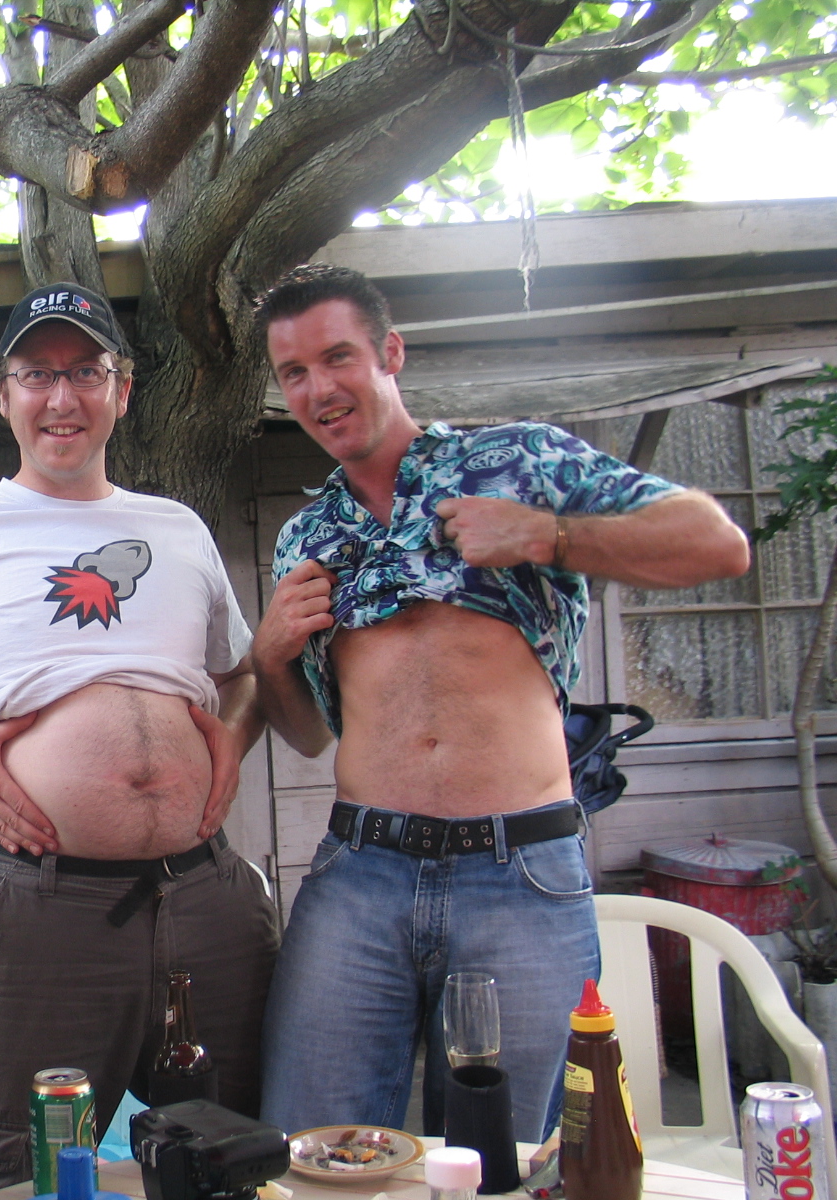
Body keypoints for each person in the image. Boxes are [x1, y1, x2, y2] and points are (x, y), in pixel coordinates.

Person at [250, 263, 752, 1140]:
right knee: (309, 1154)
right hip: (360, 876)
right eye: (294, 372)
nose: (318, 389)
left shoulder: (519, 462)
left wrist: (544, 534)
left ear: (390, 352)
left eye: (337, 357)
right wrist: (270, 658)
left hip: (518, 871)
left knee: (506, 1163)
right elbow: (308, 736)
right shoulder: (307, 535)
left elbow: (718, 545)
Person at [0, 283, 279, 1190]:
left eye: (86, 372)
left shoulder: (178, 529)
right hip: (32, 908)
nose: (62, 397)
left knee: (234, 1158)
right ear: (3, 395)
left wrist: (229, 745)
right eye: (37, 374)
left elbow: (243, 674)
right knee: (13, 1172)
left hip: (206, 901)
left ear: (122, 391)